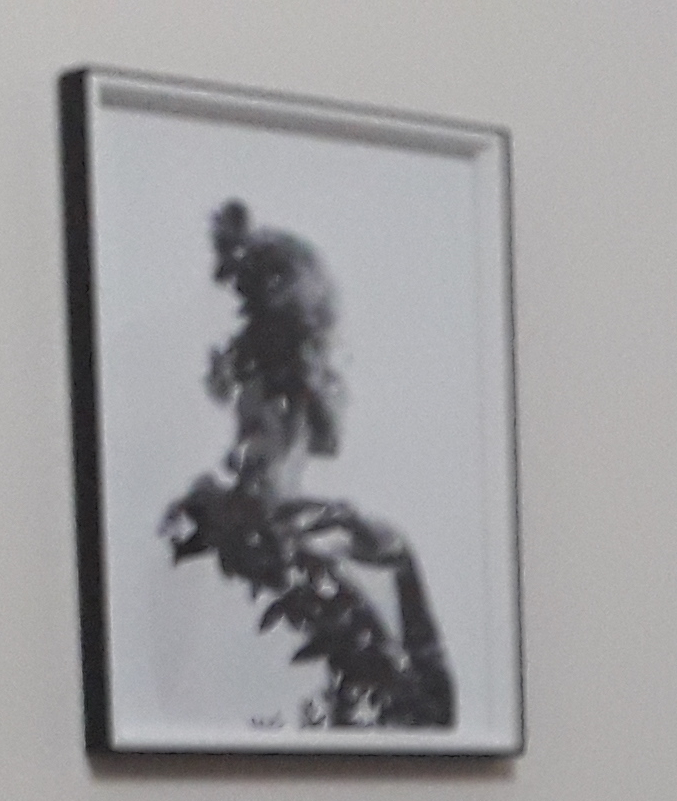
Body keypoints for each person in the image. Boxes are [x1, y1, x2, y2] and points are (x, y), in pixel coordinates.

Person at [161, 200, 456, 730]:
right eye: (243, 422)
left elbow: (437, 723)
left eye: (255, 428)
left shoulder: (373, 549)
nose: (238, 454)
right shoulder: (199, 545)